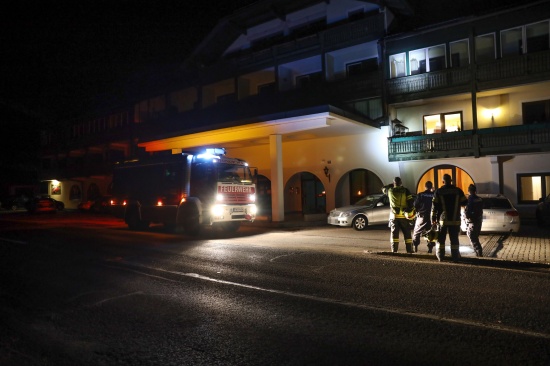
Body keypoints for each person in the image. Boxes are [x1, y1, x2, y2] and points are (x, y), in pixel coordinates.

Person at [430, 174, 467, 261]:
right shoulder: (458, 191)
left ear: (443, 181)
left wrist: (433, 218)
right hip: (455, 220)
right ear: (451, 181)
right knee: (454, 240)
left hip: (443, 220)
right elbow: (465, 202)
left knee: (441, 240)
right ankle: (455, 257)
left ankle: (440, 256)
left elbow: (434, 206)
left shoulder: (438, 192)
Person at [382, 177, 415, 253]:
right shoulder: (405, 190)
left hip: (394, 216)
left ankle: (394, 251)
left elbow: (383, 188)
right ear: (401, 183)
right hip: (404, 216)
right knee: (407, 234)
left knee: (394, 235)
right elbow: (411, 202)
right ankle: (409, 250)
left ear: (394, 183)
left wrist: (392, 184)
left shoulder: (390, 190)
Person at [412, 181, 435, 253]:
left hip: (422, 216)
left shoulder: (421, 195)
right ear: (431, 187)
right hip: (431, 217)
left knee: (416, 231)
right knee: (431, 232)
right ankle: (430, 248)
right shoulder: (434, 195)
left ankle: (415, 246)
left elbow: (415, 205)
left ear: (425, 187)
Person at [464, 184, 484, 257]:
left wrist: (467, 216)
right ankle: (478, 252)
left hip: (472, 221)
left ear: (469, 191)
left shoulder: (470, 199)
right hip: (478, 220)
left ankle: (478, 251)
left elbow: (468, 210)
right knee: (475, 236)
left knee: (472, 236)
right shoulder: (480, 199)